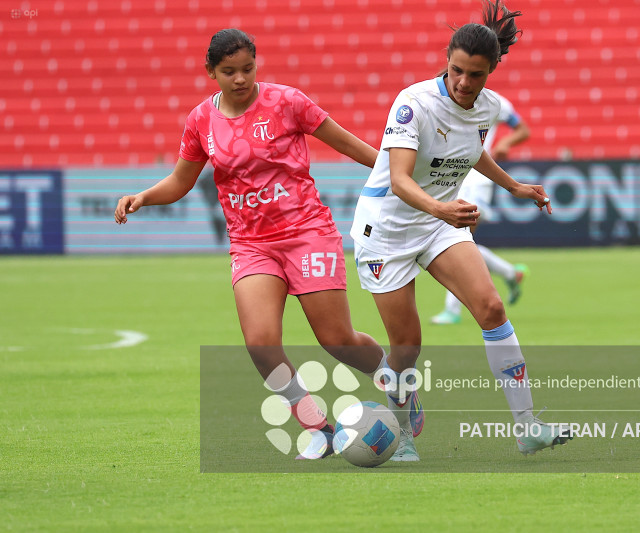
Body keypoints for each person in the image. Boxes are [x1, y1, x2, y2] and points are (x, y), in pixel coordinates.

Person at [114, 29, 423, 460]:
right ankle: (319, 428)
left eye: (247, 68)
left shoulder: (287, 102)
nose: (240, 79)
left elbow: (351, 145)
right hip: (251, 245)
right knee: (260, 342)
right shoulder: (201, 121)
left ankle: (394, 379)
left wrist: (405, 178)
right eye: (228, 72)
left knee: (336, 339)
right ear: (211, 73)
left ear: (256, 64)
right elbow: (182, 181)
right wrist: (143, 196)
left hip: (307, 233)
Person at [350, 0, 571, 461]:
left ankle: (528, 428)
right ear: (446, 60)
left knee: (491, 307)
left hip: (436, 223)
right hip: (386, 232)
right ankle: (403, 429)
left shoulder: (486, 108)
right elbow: (399, 179)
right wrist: (443, 209)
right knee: (407, 348)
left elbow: (472, 151)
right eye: (457, 71)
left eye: (476, 75)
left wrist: (514, 186)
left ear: (491, 72)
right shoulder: (413, 103)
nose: (465, 83)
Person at [430, 93, 531, 325]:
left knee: (455, 241)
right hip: (450, 180)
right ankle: (510, 273)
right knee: (459, 243)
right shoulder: (443, 98)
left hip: (476, 180)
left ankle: (452, 310)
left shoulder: (496, 102)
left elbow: (523, 129)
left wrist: (505, 143)